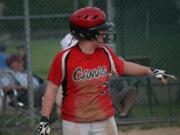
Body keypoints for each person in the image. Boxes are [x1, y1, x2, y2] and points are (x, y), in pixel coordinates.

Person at [36, 6, 176, 135]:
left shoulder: (105, 53)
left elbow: (125, 66)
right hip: (74, 121)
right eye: (101, 31)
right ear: (87, 33)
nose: (106, 34)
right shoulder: (64, 58)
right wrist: (44, 120)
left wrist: (153, 71)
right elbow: (51, 90)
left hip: (104, 119)